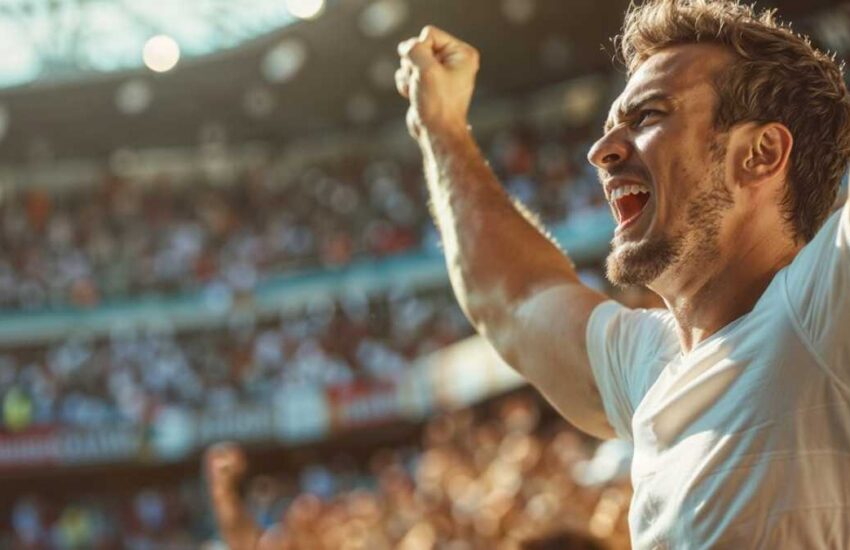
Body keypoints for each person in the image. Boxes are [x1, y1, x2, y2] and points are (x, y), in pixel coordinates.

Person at [395, 0, 850, 547]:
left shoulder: (825, 306)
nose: (600, 151)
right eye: (612, 126)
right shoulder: (650, 368)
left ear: (761, 152)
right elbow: (515, 298)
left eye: (649, 116)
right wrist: (440, 129)